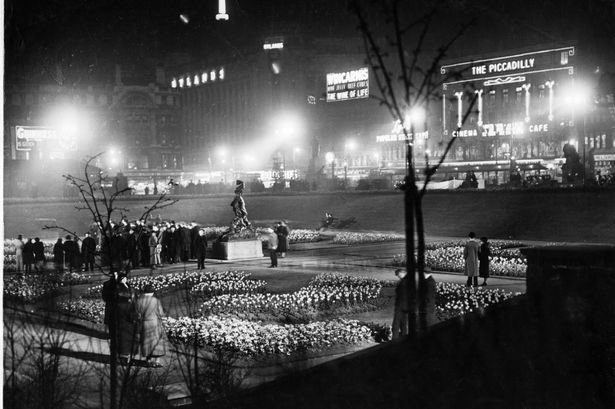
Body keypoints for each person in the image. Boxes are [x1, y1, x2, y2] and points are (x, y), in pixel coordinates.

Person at [134, 285, 166, 367]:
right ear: (152, 292)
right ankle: (157, 361)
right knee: (156, 343)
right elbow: (161, 313)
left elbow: (136, 314)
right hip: (155, 323)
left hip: (144, 323)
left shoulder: (138, 301)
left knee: (146, 343)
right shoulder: (155, 300)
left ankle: (148, 361)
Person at [116, 273, 137, 362]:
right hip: (125, 314)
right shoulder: (119, 288)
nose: (124, 279)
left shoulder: (127, 286)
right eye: (123, 278)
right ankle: (124, 355)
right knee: (124, 337)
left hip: (128, 314)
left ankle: (125, 355)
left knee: (127, 336)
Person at [392, 269, 409, 339]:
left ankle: (395, 340)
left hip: (401, 305)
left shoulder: (405, 281)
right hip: (405, 306)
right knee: (403, 324)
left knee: (396, 324)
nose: (398, 276)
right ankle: (403, 339)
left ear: (402, 273)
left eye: (398, 275)